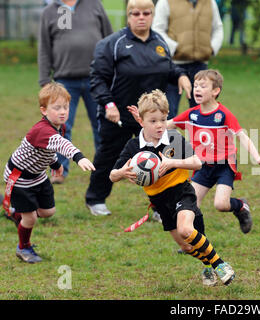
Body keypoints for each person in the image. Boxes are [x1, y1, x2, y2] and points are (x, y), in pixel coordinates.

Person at [112, 89, 235, 286]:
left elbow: (197, 163)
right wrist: (121, 173)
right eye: (153, 121)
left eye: (163, 119)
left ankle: (220, 265)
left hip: (182, 192)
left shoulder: (173, 138)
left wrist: (172, 163)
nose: (159, 125)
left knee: (186, 229)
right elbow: (112, 174)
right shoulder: (134, 147)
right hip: (159, 202)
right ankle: (208, 265)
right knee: (187, 246)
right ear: (141, 121)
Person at [129, 69, 260, 234]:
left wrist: (257, 157)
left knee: (221, 204)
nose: (197, 89)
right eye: (195, 85)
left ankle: (240, 206)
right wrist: (143, 120)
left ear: (215, 91)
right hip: (201, 166)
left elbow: (242, 136)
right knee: (192, 204)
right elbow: (164, 124)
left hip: (223, 165)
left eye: (202, 86)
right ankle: (198, 242)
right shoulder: (192, 114)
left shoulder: (223, 115)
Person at [85, 0, 192, 216]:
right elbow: (97, 79)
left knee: (161, 160)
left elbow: (168, 67)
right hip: (119, 116)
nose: (140, 17)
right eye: (135, 13)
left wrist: (180, 75)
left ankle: (162, 206)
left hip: (152, 119)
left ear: (152, 15)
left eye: (145, 13)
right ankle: (96, 199)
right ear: (128, 15)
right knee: (110, 157)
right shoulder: (112, 44)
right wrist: (109, 104)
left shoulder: (159, 41)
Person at [2, 83, 95, 263]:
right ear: (43, 110)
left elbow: (48, 149)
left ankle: (16, 212)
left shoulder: (59, 126)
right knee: (31, 219)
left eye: (66, 107)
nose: (62, 112)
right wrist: (79, 157)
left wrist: (55, 163)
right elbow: (62, 145)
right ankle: (23, 248)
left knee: (48, 211)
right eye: (56, 108)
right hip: (19, 178)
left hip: (37, 174)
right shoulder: (42, 130)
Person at [38, 0, 112, 184]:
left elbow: (110, 39)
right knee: (61, 127)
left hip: (96, 78)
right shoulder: (49, 11)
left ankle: (106, 168)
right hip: (64, 79)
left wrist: (113, 72)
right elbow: (44, 48)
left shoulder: (95, 5)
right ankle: (60, 170)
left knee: (101, 125)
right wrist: (45, 80)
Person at [152, 0, 224, 119]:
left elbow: (218, 28)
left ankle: (201, 137)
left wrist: (212, 48)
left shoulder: (210, 2)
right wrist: (175, 48)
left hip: (200, 66)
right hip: (173, 67)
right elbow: (157, 29)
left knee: (203, 112)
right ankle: (168, 138)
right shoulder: (166, 2)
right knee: (168, 111)